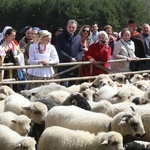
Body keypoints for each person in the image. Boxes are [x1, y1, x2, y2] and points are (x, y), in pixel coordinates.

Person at [56, 19, 83, 87]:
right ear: (67, 27)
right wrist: (70, 58)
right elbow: (59, 50)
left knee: (72, 87)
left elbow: (80, 50)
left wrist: (77, 58)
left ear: (76, 28)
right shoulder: (60, 36)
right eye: (69, 27)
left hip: (74, 66)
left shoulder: (78, 37)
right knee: (63, 87)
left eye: (73, 27)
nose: (71, 29)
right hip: (64, 66)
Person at [0, 27, 25, 91]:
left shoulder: (16, 45)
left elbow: (21, 54)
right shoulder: (2, 46)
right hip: (6, 69)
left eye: (14, 36)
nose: (14, 37)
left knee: (16, 84)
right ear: (7, 35)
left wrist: (18, 56)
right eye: (12, 36)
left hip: (15, 68)